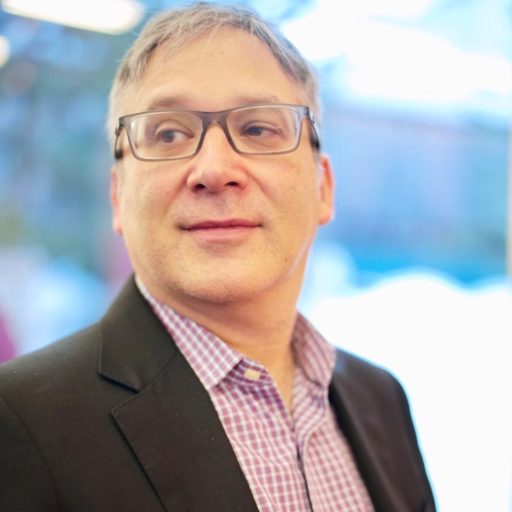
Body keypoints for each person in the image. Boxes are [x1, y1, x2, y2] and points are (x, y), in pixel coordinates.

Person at [0, 3, 436, 511]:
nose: (213, 168)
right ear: (119, 197)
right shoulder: (20, 422)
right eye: (168, 134)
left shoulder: (380, 398)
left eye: (257, 130)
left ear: (324, 187)